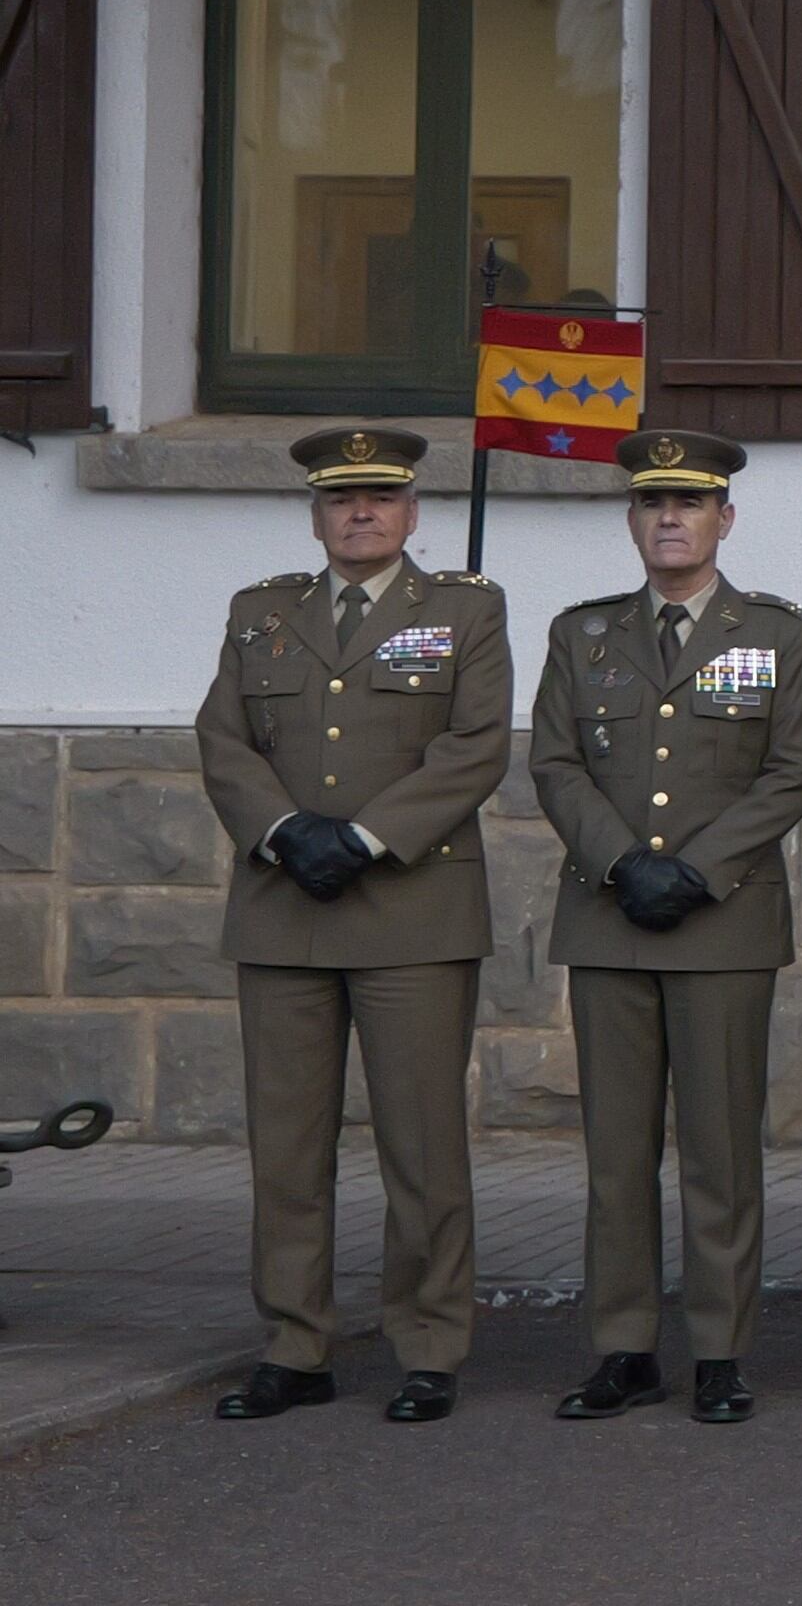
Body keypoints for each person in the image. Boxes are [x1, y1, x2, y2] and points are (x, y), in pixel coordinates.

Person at [196, 428, 510, 1424]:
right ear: (317, 514)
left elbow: (476, 746)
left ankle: (427, 1345)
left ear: (413, 512)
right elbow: (223, 737)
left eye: (379, 497)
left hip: (410, 911)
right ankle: (296, 1344)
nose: (360, 512)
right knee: (287, 1149)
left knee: (422, 1148)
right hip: (286, 907)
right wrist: (287, 831)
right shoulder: (262, 613)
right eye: (341, 499)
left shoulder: (466, 608)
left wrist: (369, 838)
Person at [524, 429, 802, 1425]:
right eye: (653, 504)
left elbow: (792, 770)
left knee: (719, 1147)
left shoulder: (781, 634)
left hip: (722, 921)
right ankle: (623, 1346)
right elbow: (557, 764)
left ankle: (721, 1349)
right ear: (631, 520)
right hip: (611, 919)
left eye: (689, 504)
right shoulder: (584, 634)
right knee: (616, 1152)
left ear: (723, 519)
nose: (670, 520)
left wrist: (694, 869)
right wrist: (623, 862)